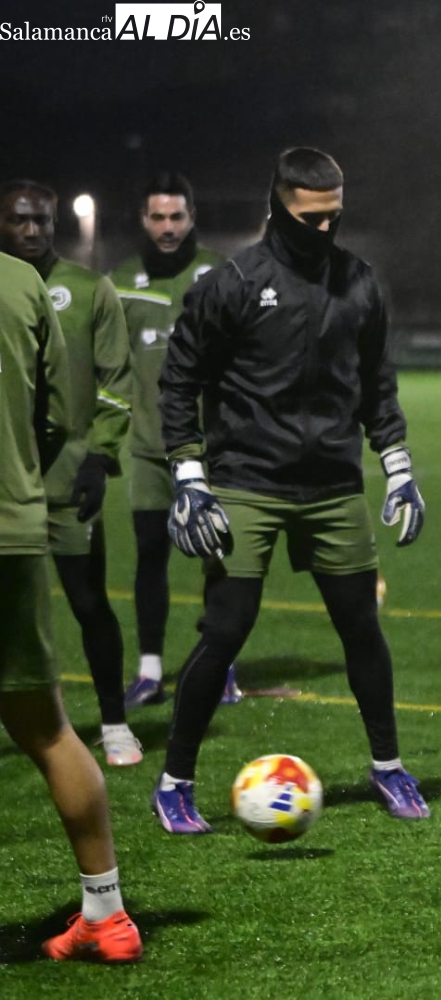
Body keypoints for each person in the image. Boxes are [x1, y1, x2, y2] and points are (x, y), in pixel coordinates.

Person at [152, 147, 429, 833]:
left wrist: (397, 463)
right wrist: (190, 475)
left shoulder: (360, 283)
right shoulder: (233, 282)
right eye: (311, 219)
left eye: (335, 217)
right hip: (246, 481)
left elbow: (377, 386)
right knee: (226, 630)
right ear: (278, 206)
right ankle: (174, 781)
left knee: (362, 628)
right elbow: (180, 380)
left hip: (334, 485)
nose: (325, 231)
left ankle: (388, 767)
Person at [1, 251, 142, 962]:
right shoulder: (23, 283)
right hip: (14, 525)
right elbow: (57, 412)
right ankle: (107, 915)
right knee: (49, 728)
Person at [0, 180, 140, 766]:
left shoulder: (89, 289)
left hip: (66, 481)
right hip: (10, 486)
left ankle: (114, 725)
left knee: (88, 603)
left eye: (41, 221)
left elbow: (116, 381)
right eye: (18, 221)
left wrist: (100, 458)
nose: (32, 231)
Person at [111, 172, 233, 709]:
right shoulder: (118, 284)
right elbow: (108, 368)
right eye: (157, 217)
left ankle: (220, 664)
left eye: (176, 217)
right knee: (149, 557)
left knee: (218, 558)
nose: (167, 227)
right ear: (143, 219)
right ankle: (150, 670)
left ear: (192, 216)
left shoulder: (219, 275)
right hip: (147, 450)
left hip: (213, 451)